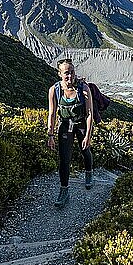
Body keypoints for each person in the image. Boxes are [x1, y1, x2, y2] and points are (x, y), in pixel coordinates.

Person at [47, 58, 94, 208]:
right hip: (65, 126)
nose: (70, 76)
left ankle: (89, 173)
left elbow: (89, 114)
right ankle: (64, 190)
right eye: (66, 73)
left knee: (85, 150)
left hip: (81, 125)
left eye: (72, 72)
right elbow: (52, 114)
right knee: (64, 159)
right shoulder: (54, 90)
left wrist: (88, 135)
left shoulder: (83, 88)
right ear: (60, 73)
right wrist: (51, 135)